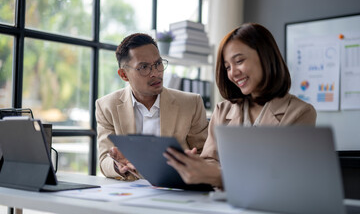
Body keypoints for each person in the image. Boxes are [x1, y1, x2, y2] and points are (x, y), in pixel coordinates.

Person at [164, 23, 317, 188]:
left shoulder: (300, 113)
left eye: (239, 61)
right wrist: (193, 165)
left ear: (265, 56)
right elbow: (210, 160)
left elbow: (283, 177)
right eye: (227, 67)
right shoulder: (222, 111)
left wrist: (218, 176)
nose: (232, 73)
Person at [96, 33, 208, 180]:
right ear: (124, 74)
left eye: (158, 63)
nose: (155, 73)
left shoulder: (191, 104)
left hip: (177, 190)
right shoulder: (107, 106)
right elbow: (104, 159)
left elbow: (206, 155)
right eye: (144, 67)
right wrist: (118, 166)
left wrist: (192, 163)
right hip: (130, 193)